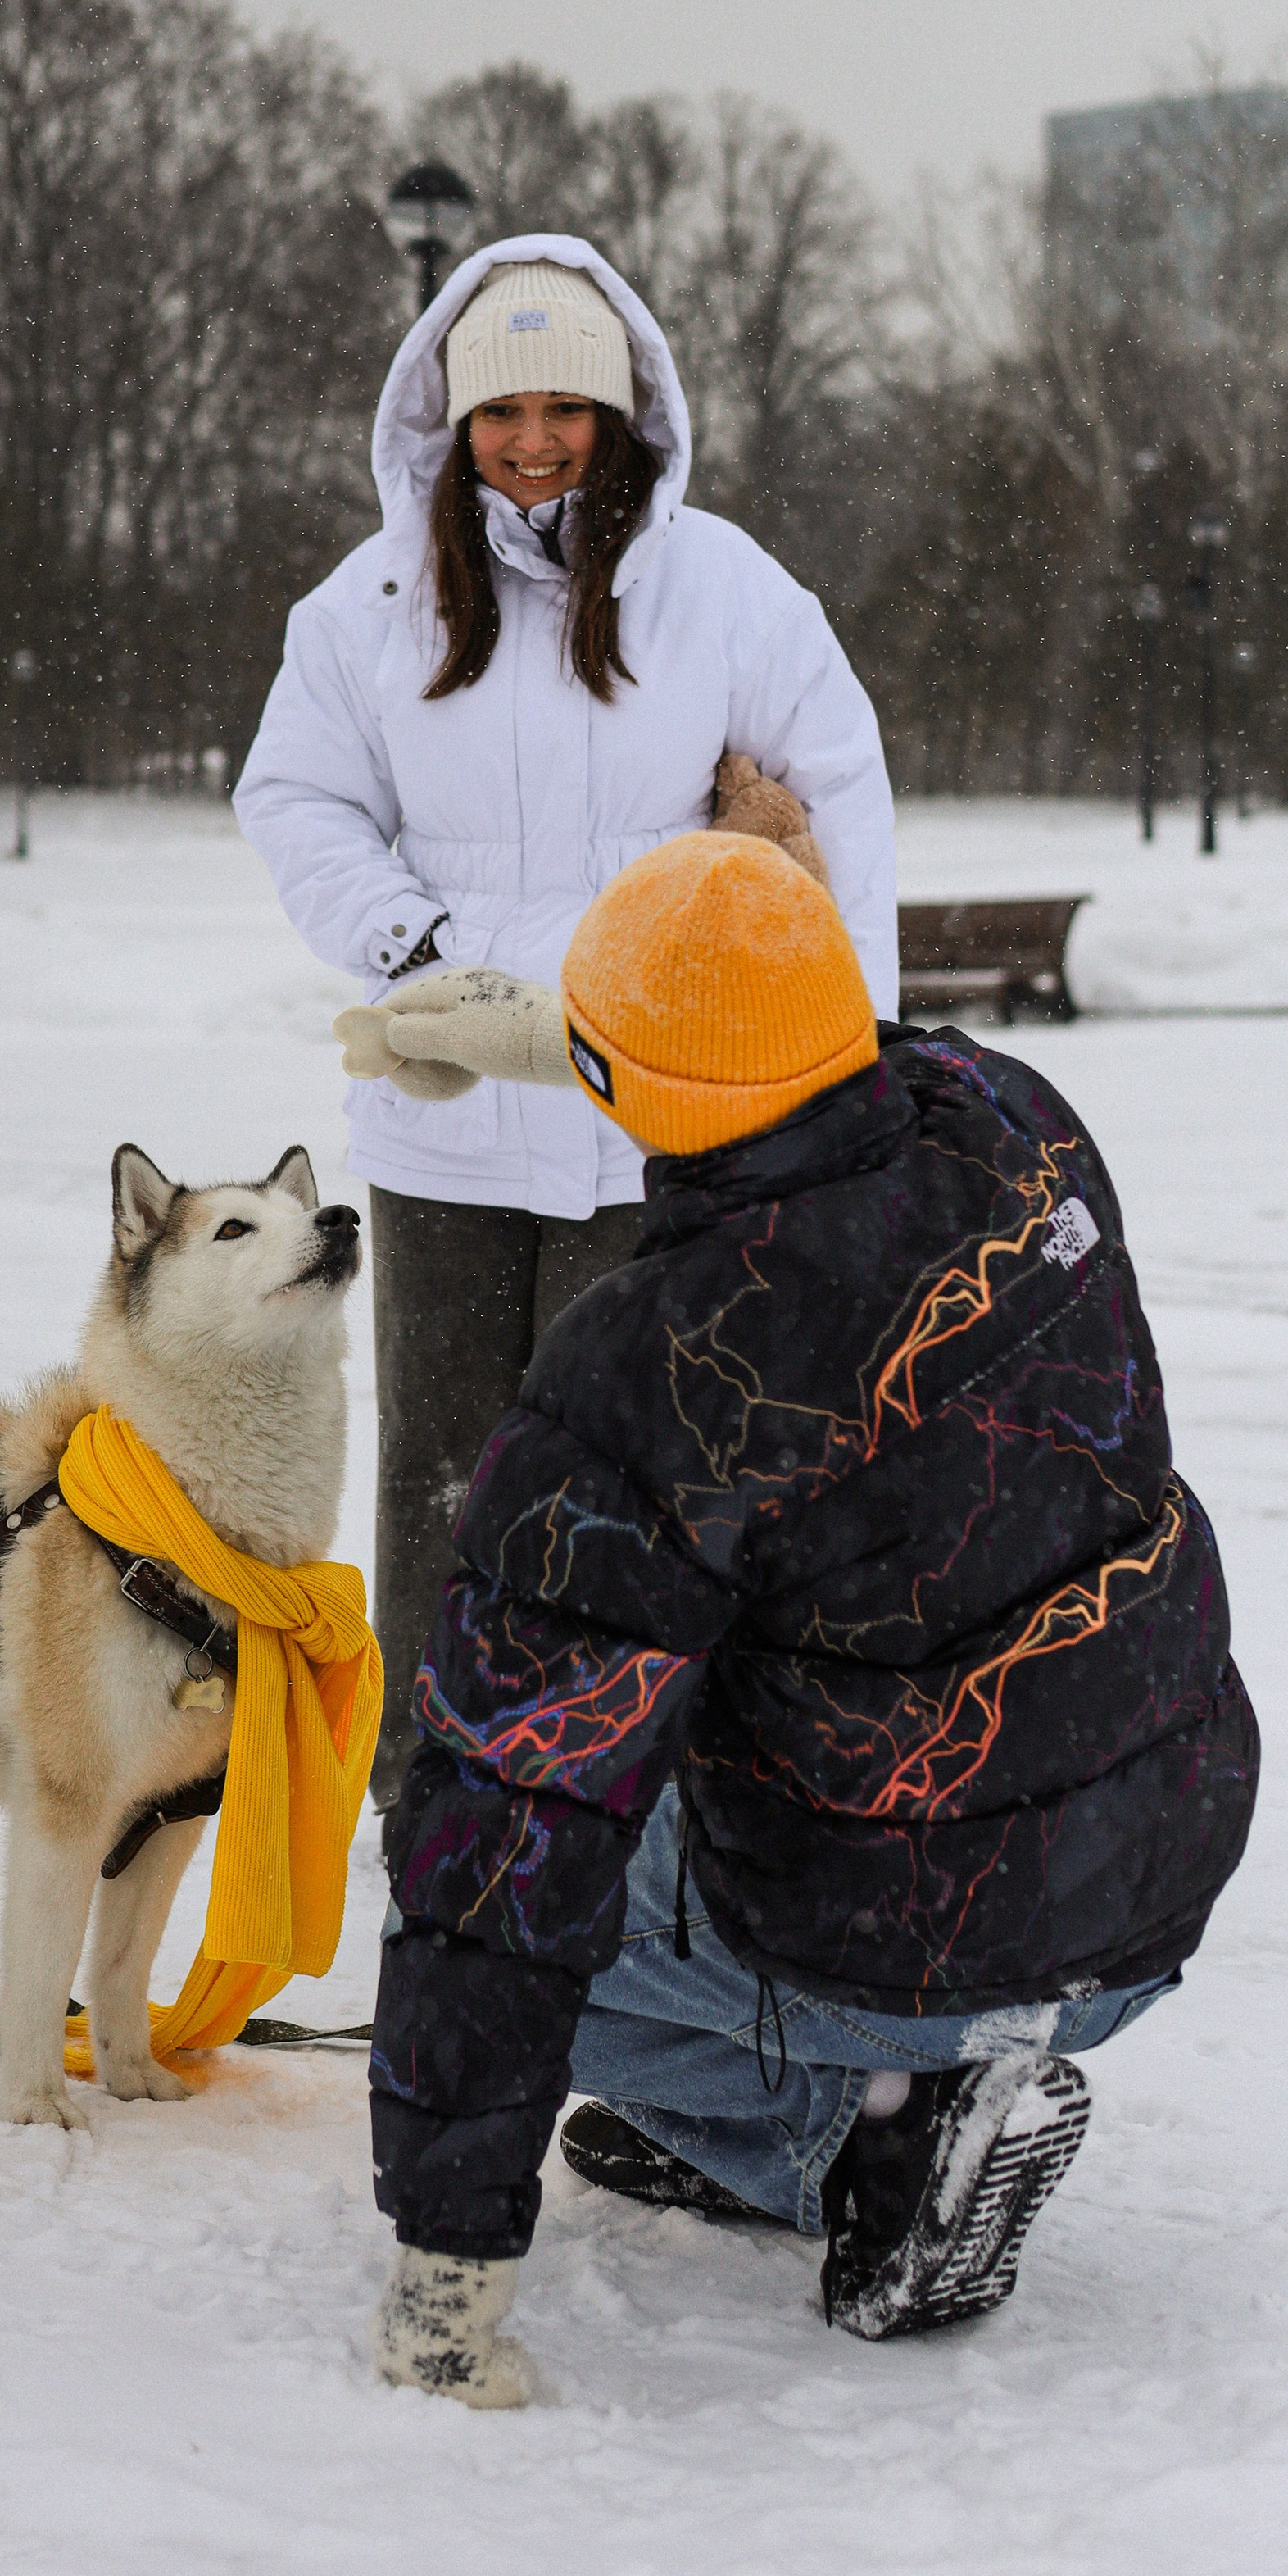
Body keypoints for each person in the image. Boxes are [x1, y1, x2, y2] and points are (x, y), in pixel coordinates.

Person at [350, 832, 1258, 2401]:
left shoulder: (643, 1367)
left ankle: (857, 2126)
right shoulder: (1015, 1120)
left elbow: (505, 1840)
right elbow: (816, 1071)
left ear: (627, 1084)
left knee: (484, 1862)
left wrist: (449, 2260)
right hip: (1154, 1866)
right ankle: (881, 2091)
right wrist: (551, 1034)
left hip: (907, 1934)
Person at [234, 238, 896, 1806]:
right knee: (443, 1473)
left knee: (635, 1477)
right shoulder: (371, 603)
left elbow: (840, 807)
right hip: (445, 1117)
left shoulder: (726, 590)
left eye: (566, 409)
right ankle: (429, 1798)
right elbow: (298, 798)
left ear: (622, 415)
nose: (533, 441)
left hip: (646, 1114)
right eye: (501, 411)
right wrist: (419, 947)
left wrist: (850, 1066)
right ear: (452, 419)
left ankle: (614, 1796)